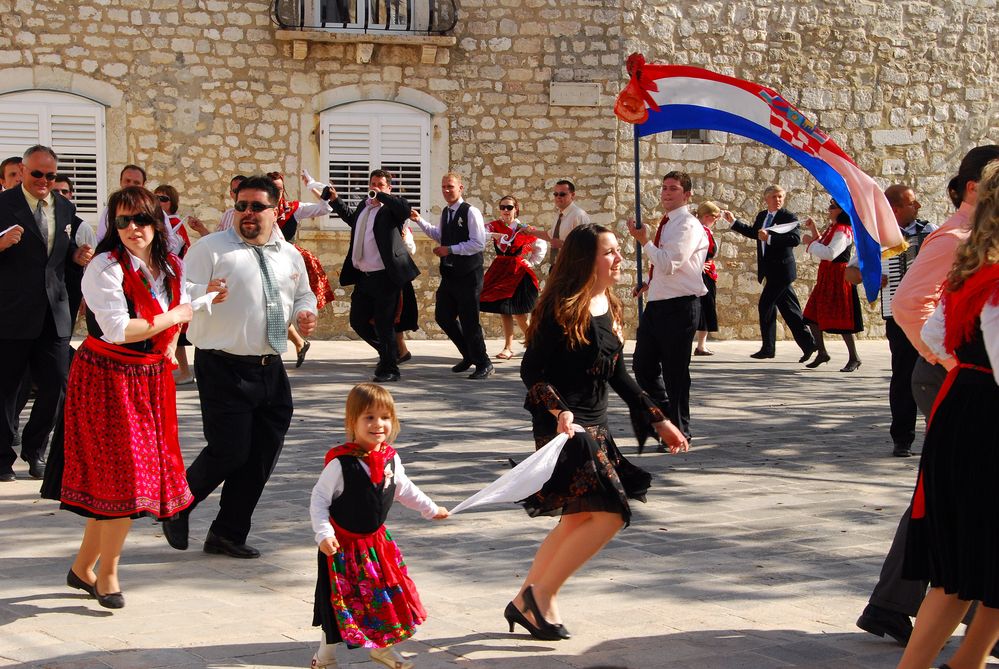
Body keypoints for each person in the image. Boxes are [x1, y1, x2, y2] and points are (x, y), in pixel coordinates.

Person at [508, 223, 688, 641]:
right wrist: (560, 412)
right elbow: (530, 370)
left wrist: (657, 417)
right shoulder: (560, 307)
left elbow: (618, 374)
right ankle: (540, 595)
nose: (620, 258)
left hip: (597, 424)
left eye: (618, 250)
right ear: (586, 260)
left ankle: (526, 601)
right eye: (610, 252)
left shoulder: (608, 303)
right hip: (564, 427)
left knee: (578, 520)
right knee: (609, 514)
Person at [856, 144, 999, 650]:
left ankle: (894, 606)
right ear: (975, 188)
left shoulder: (978, 238)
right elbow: (911, 306)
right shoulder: (955, 238)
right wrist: (962, 364)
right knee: (959, 498)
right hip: (955, 379)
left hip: (963, 378)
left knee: (945, 496)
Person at [41, 185, 194, 609]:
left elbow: (180, 309)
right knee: (122, 478)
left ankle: (82, 568)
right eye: (122, 220)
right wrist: (176, 317)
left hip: (147, 379)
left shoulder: (171, 265)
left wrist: (171, 338)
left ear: (156, 222)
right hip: (106, 379)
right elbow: (119, 329)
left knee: (120, 482)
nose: (132, 228)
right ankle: (106, 575)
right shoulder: (104, 268)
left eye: (141, 219)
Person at [161, 175, 318, 558]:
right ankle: (178, 505)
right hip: (222, 365)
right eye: (241, 205)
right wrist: (204, 293)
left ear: (276, 208)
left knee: (261, 454)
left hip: (270, 366)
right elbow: (180, 293)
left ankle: (228, 533)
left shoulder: (289, 253)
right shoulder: (210, 248)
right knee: (230, 450)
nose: (247, 214)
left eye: (257, 207)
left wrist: (306, 312)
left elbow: (303, 292)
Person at [896, 160, 999, 669]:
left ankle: (965, 662)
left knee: (966, 564)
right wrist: (977, 371)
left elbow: (937, 336)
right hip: (984, 418)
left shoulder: (973, 267)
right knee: (965, 564)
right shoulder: (990, 273)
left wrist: (968, 369)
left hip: (964, 405)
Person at [309, 383, 448, 669]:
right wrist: (324, 534)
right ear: (353, 422)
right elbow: (319, 500)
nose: (377, 424)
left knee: (386, 597)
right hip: (342, 549)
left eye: (384, 417)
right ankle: (325, 657)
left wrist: (431, 509)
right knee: (339, 605)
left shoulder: (390, 458)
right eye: (369, 417)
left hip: (376, 547)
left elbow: (405, 489)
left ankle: (384, 648)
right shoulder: (341, 464)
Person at [0, 145, 85, 482]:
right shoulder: (3, 204)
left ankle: (36, 450)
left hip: (55, 313)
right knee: (6, 390)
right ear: (22, 170)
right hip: (11, 311)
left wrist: (77, 256)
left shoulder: (65, 207)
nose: (44, 181)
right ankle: (2, 456)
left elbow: (60, 258)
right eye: (37, 174)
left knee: (57, 387)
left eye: (50, 175)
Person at [627, 171, 708, 442]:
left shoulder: (688, 225)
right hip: (658, 304)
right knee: (643, 365)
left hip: (680, 307)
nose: (666, 193)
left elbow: (670, 263)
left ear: (687, 194)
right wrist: (648, 282)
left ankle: (680, 428)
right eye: (664, 188)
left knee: (675, 371)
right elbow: (665, 268)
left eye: (673, 188)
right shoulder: (669, 222)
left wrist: (644, 242)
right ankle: (665, 420)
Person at [329, 169, 419, 383]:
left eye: (380, 184)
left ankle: (390, 369)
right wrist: (335, 200)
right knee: (358, 321)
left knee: (384, 323)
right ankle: (388, 354)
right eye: (373, 184)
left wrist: (382, 197)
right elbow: (353, 220)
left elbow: (405, 210)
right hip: (364, 276)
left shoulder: (392, 209)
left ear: (389, 188)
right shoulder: (364, 206)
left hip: (386, 277)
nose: (375, 187)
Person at [411, 172, 493, 379]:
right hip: (450, 274)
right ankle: (468, 354)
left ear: (460, 188)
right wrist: (419, 220)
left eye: (450, 187)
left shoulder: (470, 211)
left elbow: (478, 243)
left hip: (469, 275)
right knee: (443, 316)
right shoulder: (446, 212)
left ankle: (483, 362)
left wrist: (450, 250)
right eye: (444, 187)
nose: (447, 191)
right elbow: (440, 236)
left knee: (469, 320)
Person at [730, 185, 816, 361]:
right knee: (790, 310)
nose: (778, 200)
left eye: (780, 197)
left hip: (783, 271)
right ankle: (810, 344)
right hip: (770, 271)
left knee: (765, 306)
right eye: (774, 197)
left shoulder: (788, 217)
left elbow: (794, 239)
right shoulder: (763, 216)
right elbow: (755, 233)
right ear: (766, 198)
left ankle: (768, 348)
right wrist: (733, 222)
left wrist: (769, 238)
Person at [268, 171, 334, 367]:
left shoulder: (293, 209)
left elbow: (324, 209)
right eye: (272, 188)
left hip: (288, 261)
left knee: (282, 305)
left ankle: (289, 346)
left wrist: (313, 188)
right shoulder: (257, 208)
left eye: (279, 189)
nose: (277, 192)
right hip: (265, 259)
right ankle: (297, 343)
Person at [480, 195, 547, 360]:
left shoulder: (523, 228)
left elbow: (541, 245)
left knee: (519, 313)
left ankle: (534, 342)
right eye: (502, 207)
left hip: (518, 272)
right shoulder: (494, 226)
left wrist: (531, 262)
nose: (505, 210)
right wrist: (493, 235)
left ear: (516, 209)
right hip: (500, 270)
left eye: (509, 207)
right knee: (504, 310)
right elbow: (478, 233)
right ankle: (509, 347)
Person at [800, 200, 864, 372]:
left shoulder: (843, 231)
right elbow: (824, 244)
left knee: (842, 318)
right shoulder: (833, 228)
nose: (829, 209)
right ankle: (822, 352)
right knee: (812, 315)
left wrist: (810, 243)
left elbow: (830, 253)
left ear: (841, 211)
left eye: (832, 207)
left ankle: (854, 357)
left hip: (838, 277)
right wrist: (813, 230)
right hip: (827, 276)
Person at [154, 184, 195, 385]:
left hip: (171, 279)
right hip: (159, 278)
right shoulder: (154, 221)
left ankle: (184, 371)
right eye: (156, 198)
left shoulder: (175, 222)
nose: (159, 202)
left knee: (172, 325)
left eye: (164, 199)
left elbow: (184, 251)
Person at [528, 179, 590, 264]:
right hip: (557, 265)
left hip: (573, 266)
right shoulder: (559, 214)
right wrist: (529, 232)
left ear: (572, 195)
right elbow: (550, 236)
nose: (558, 197)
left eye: (562, 194)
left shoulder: (579, 215)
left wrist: (562, 244)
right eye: (555, 194)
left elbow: (586, 244)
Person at [694, 201, 721, 356]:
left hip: (707, 273)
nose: (716, 220)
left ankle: (701, 345)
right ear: (706, 216)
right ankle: (700, 345)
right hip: (702, 274)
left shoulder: (705, 230)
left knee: (706, 307)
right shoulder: (699, 231)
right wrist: (699, 265)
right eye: (714, 217)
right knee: (703, 307)